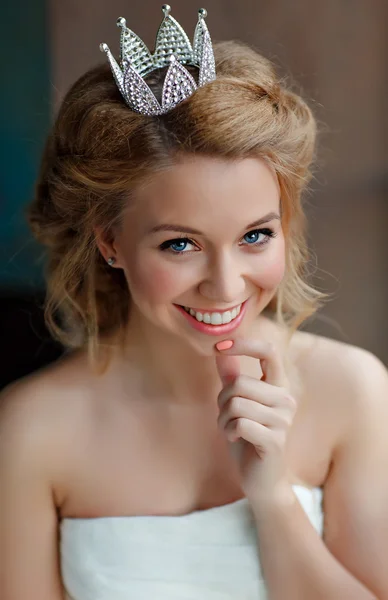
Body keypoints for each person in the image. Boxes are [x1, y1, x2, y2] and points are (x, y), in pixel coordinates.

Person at [0, 5, 387, 600]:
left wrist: (272, 494)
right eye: (180, 244)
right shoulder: (30, 431)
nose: (227, 285)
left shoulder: (354, 391)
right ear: (111, 241)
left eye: (256, 235)